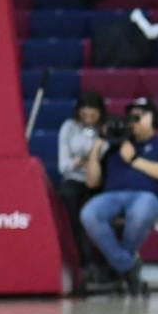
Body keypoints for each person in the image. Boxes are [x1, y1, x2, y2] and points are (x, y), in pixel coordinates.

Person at [78, 100, 158, 292]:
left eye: (139, 116)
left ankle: (118, 267)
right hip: (111, 197)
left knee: (140, 210)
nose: (134, 120)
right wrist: (96, 149)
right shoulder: (115, 145)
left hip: (148, 196)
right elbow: (92, 182)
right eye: (131, 117)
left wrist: (134, 159)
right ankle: (127, 266)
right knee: (88, 213)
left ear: (154, 119)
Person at [56, 91, 106, 229]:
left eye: (93, 114)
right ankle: (76, 238)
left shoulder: (105, 128)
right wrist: (76, 162)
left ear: (100, 112)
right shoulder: (69, 127)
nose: (88, 118)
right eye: (84, 114)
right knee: (68, 194)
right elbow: (63, 166)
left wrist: (92, 160)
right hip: (75, 178)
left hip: (99, 179)